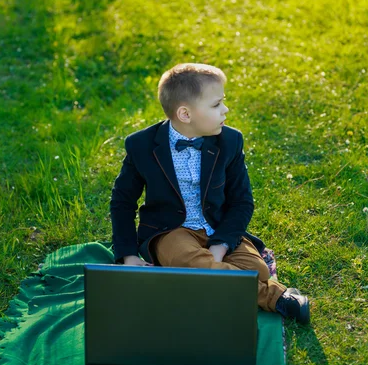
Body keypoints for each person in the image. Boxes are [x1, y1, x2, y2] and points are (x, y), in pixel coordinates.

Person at [110, 63, 310, 324]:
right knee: (187, 259)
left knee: (257, 268)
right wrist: (128, 256)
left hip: (217, 227)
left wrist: (221, 245)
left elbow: (241, 201)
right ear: (185, 114)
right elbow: (122, 202)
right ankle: (275, 296)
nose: (225, 110)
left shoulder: (230, 141)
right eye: (216, 105)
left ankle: (197, 283)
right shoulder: (141, 145)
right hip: (171, 231)